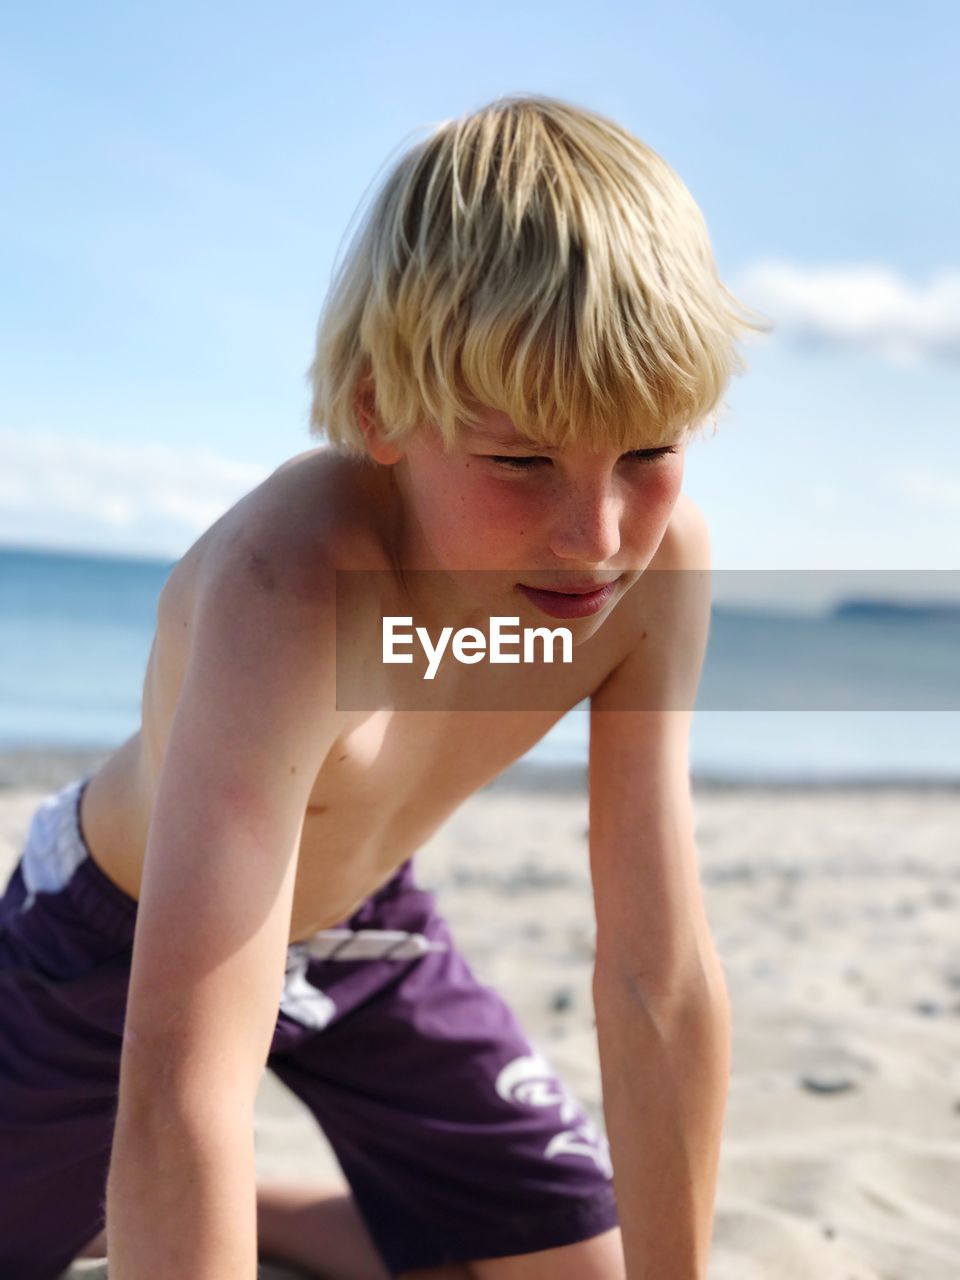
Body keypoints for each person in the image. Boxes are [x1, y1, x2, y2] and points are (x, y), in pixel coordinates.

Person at [0, 94, 765, 1279]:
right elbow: (179, 1081)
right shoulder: (293, 579)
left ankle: (261, 1207)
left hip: (364, 923)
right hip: (124, 928)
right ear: (380, 412)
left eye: (650, 451)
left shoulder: (660, 575)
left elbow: (653, 966)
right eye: (523, 460)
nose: (597, 535)